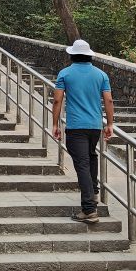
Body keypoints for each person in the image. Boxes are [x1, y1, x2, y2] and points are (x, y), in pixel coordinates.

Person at [51, 39, 114, 224]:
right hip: (95, 126)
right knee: (90, 157)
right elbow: (108, 101)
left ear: (72, 55)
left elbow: (57, 101)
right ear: (89, 55)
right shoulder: (101, 75)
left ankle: (89, 209)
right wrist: (110, 124)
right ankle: (93, 193)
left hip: (76, 126)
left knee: (82, 164)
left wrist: (55, 124)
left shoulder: (65, 73)